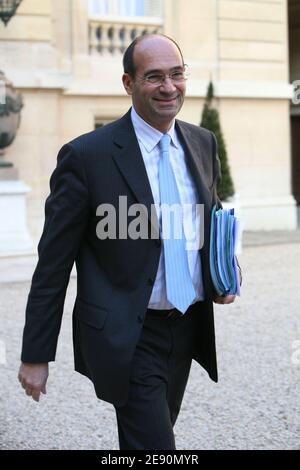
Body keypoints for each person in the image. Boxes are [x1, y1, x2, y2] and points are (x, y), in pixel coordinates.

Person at [18, 34, 237, 450]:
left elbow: (210, 218)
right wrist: (35, 353)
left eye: (176, 74)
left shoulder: (202, 143)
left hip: (188, 325)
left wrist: (225, 272)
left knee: (147, 440)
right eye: (154, 77)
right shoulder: (86, 157)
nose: (169, 87)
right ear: (127, 82)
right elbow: (53, 265)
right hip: (128, 333)